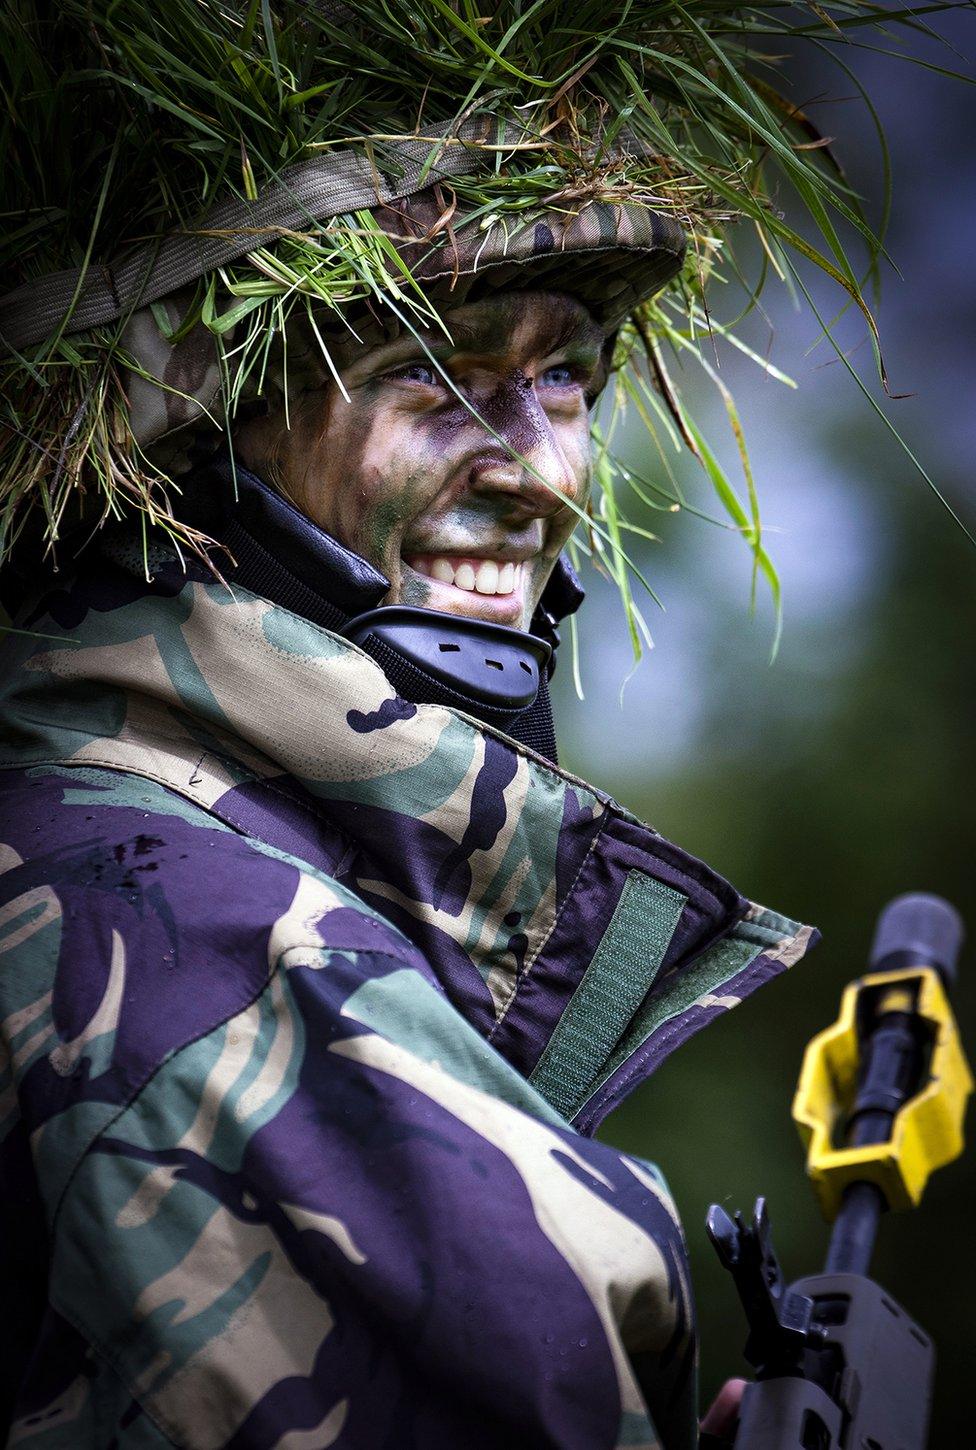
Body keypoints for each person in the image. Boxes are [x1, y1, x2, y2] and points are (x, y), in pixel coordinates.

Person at [0, 4, 912, 1446]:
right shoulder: (233, 981)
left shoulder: (90, 822)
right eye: (435, 368)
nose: (544, 472)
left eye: (567, 376)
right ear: (185, 432)